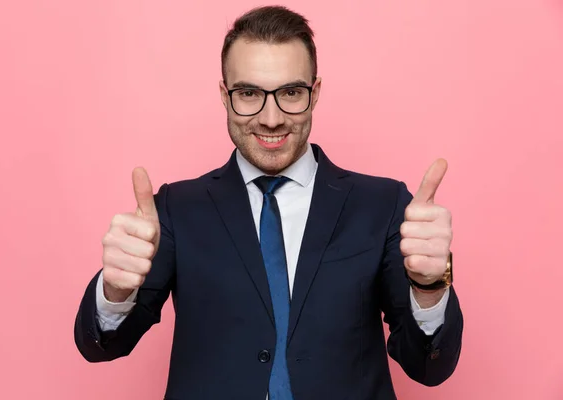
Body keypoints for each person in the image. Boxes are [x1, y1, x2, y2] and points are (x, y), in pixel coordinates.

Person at [74, 5, 463, 400]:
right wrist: (116, 291)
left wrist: (430, 287)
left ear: (315, 93)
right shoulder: (176, 208)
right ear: (225, 97)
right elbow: (102, 346)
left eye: (291, 92)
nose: (272, 118)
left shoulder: (382, 205)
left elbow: (428, 367)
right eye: (249, 94)